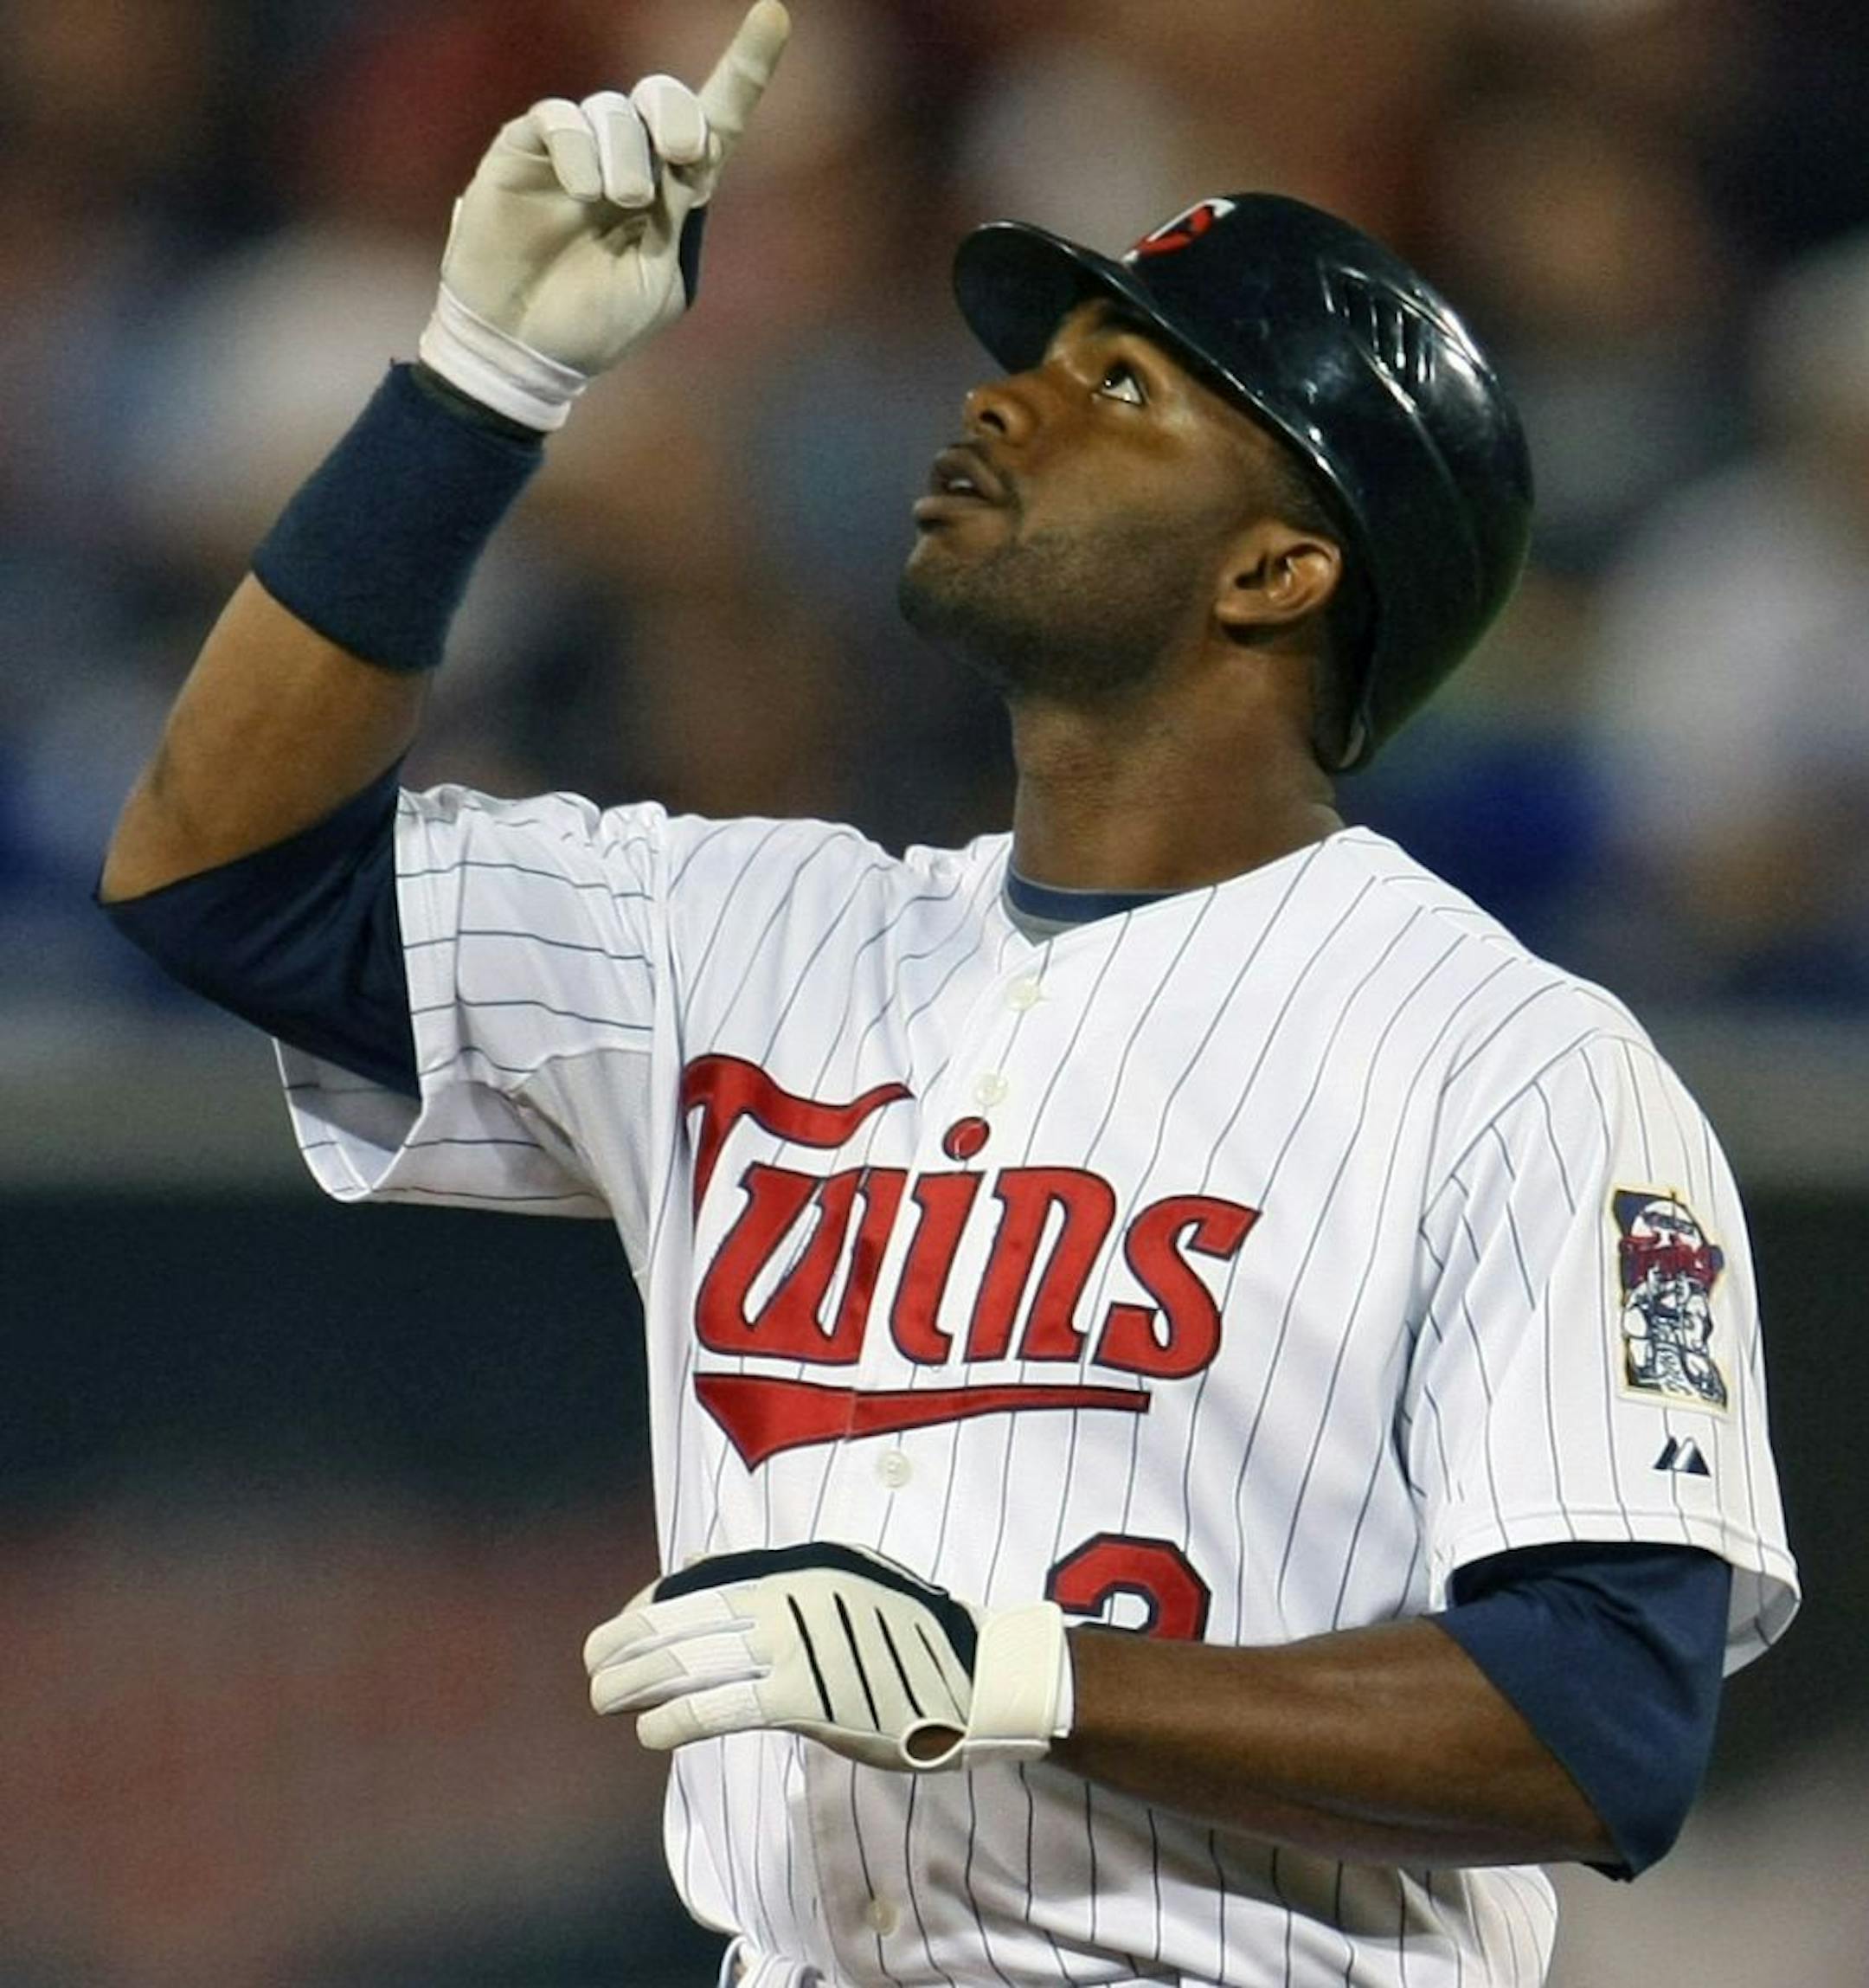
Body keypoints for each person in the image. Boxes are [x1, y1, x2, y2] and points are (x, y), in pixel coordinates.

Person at [99, 7, 1798, 1984]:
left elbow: (1605, 1717)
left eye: (1124, 385)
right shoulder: (753, 930)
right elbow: (227, 878)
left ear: (1281, 571)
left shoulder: (1512, 1068)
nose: (1007, 405)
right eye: (1032, 362)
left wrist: (1022, 1679)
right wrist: (481, 384)